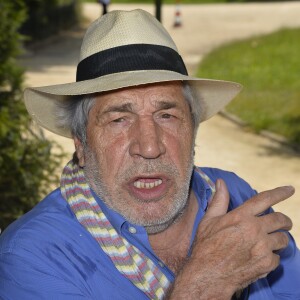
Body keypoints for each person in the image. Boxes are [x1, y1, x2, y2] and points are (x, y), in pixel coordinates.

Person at [0, 9, 299, 299]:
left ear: (192, 129)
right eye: (119, 119)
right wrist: (205, 283)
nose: (150, 147)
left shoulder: (237, 197)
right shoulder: (32, 256)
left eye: (166, 115)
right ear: (81, 143)